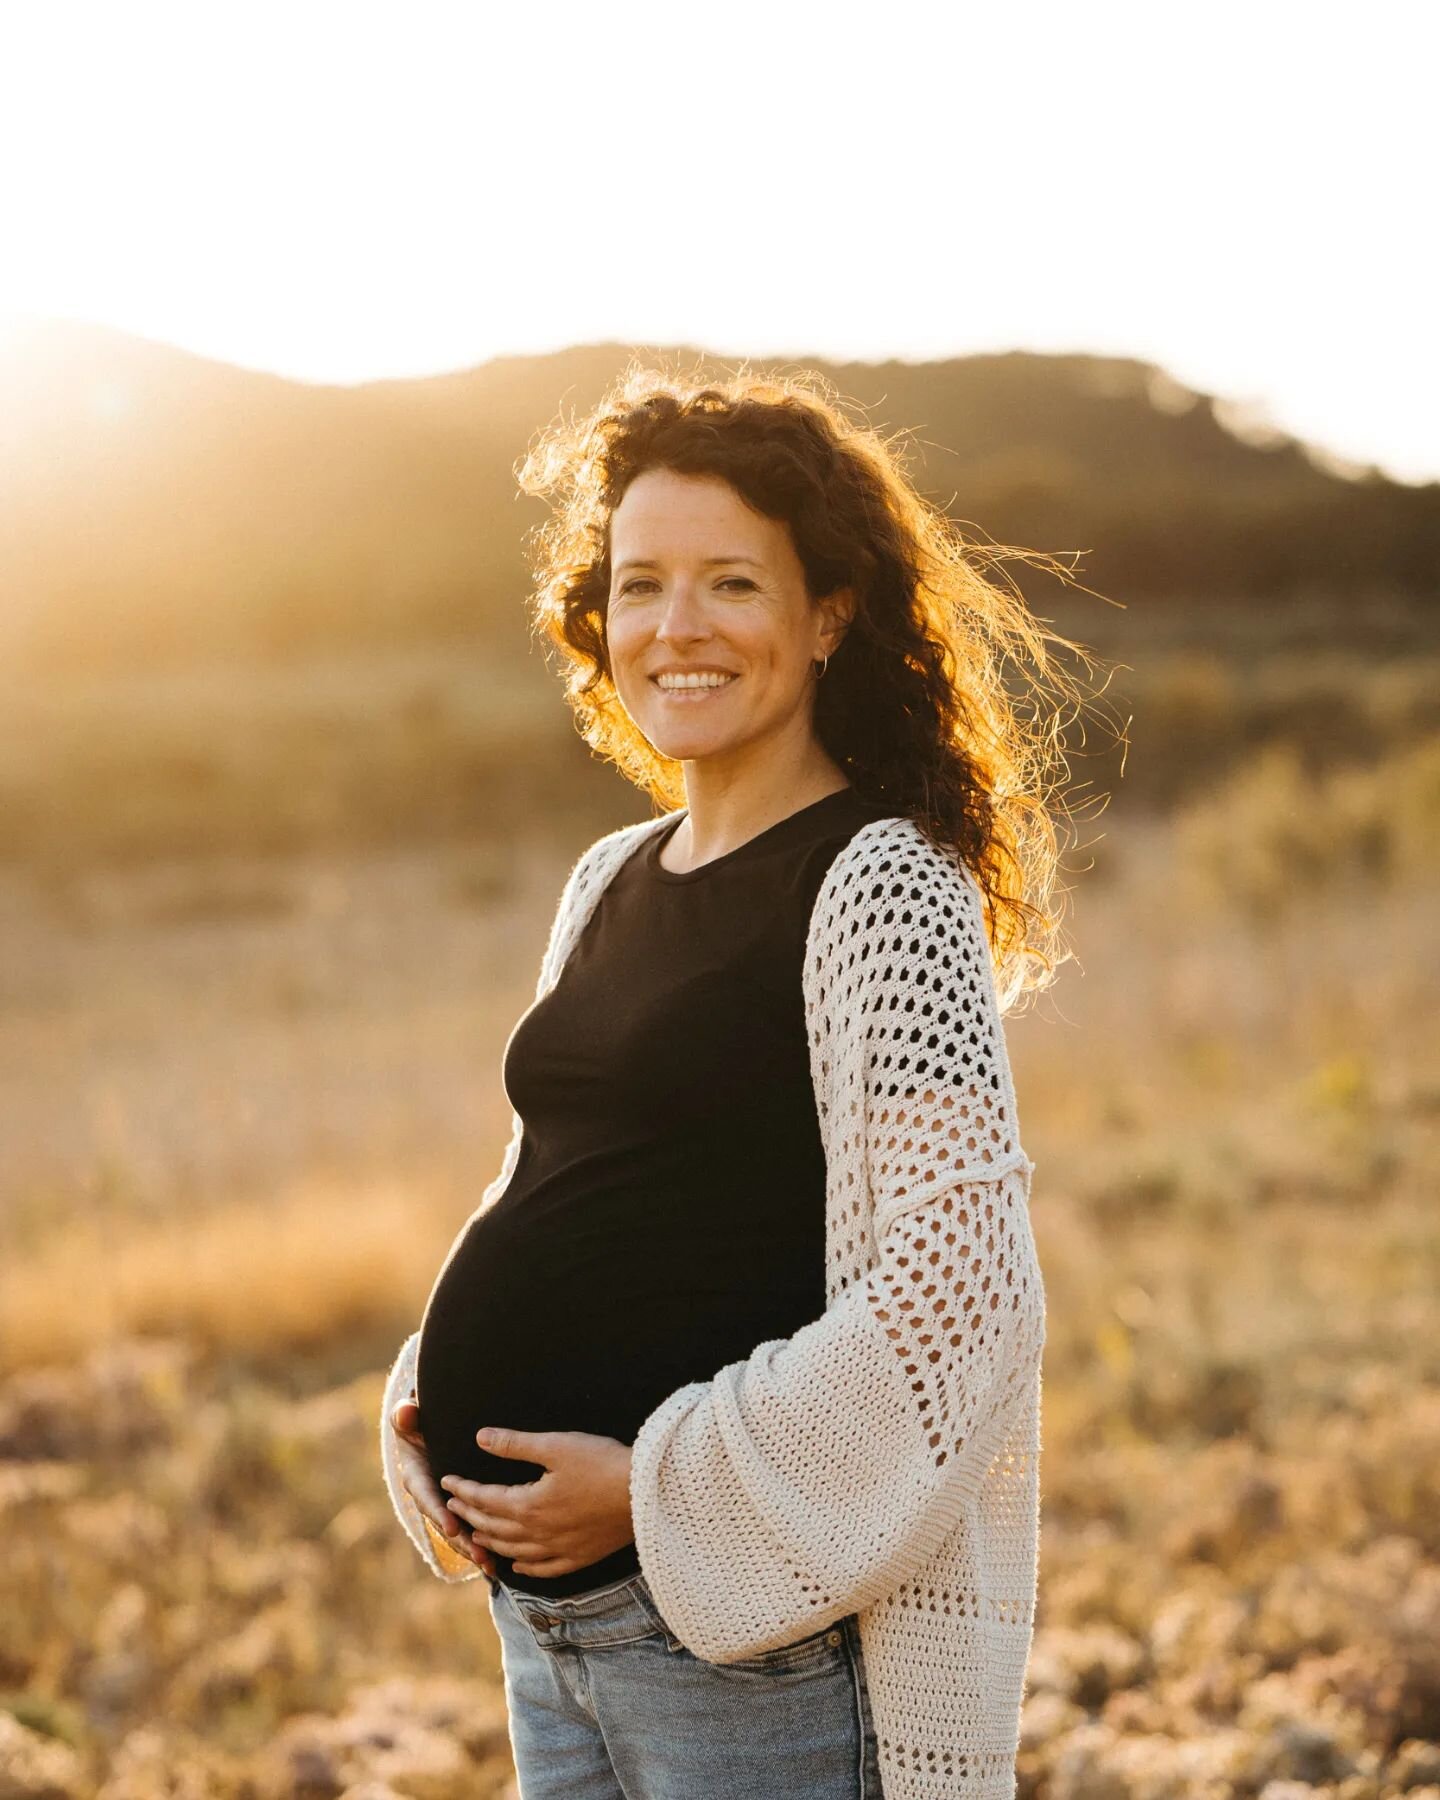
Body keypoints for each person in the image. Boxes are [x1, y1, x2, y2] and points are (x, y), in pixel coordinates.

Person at [379, 364, 1093, 1799]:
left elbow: (965, 1295)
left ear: (829, 612)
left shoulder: (883, 889)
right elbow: (559, 1174)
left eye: (731, 586)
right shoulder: (609, 877)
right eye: (639, 586)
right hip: (548, 1625)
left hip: (727, 1641)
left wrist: (649, 1487)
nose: (676, 628)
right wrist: (427, 1381)